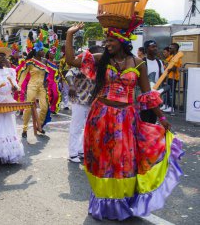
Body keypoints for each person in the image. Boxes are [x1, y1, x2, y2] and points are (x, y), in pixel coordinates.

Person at [66, 21, 183, 221]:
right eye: (106, 40)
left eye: (111, 40)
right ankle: (102, 201)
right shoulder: (100, 59)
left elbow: (147, 94)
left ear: (122, 41)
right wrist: (69, 35)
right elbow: (71, 61)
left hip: (126, 119)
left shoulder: (138, 63)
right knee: (103, 160)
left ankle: (122, 203)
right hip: (101, 116)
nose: (107, 44)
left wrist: (161, 118)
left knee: (123, 160)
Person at [66, 46, 103, 163]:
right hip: (79, 99)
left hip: (91, 101)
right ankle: (72, 153)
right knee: (76, 126)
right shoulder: (84, 63)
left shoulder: (100, 67)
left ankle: (81, 150)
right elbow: (69, 73)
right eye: (99, 54)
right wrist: (71, 85)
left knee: (88, 127)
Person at [18, 42, 50, 138]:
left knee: (44, 107)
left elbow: (46, 75)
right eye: (41, 50)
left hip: (41, 87)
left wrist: (46, 81)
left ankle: (38, 126)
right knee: (28, 108)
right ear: (36, 51)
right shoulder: (30, 62)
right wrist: (18, 86)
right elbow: (23, 74)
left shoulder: (44, 61)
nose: (43, 51)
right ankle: (24, 129)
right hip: (32, 86)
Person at [140, 40, 164, 124]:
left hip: (155, 96)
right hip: (144, 97)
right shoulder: (141, 62)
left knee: (153, 119)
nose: (155, 48)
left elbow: (162, 77)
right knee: (144, 119)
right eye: (152, 46)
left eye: (156, 46)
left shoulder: (159, 62)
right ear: (146, 49)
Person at [163, 43, 182, 112]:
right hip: (169, 77)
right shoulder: (172, 57)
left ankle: (172, 107)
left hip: (173, 77)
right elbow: (167, 64)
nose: (169, 49)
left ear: (175, 49)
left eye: (171, 48)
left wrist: (169, 68)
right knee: (168, 92)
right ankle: (168, 105)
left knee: (172, 93)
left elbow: (174, 68)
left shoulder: (177, 57)